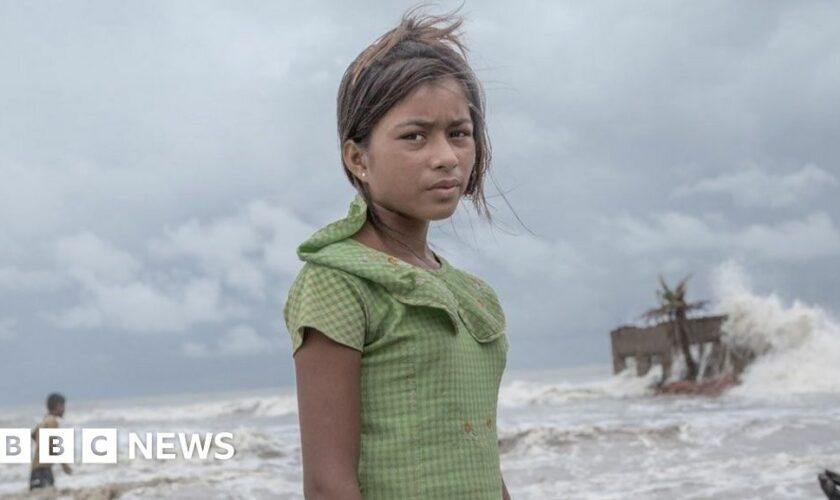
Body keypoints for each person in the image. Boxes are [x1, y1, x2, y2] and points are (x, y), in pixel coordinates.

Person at [283, 5, 513, 499]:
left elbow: (484, 466)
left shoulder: (475, 296)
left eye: (459, 133)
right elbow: (328, 486)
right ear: (357, 158)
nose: (446, 156)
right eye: (414, 136)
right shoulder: (339, 282)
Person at [29, 392, 73, 490]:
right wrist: (65, 466)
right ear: (57, 406)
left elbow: (33, 435)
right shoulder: (52, 421)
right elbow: (55, 446)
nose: (64, 409)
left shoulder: (44, 420)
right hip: (43, 470)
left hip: (36, 469)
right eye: (62, 406)